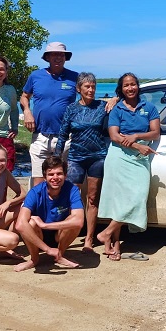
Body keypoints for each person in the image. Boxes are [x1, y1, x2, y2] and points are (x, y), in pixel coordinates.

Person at [96, 73, 160, 261]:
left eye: (133, 84)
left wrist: (137, 135)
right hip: (119, 155)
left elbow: (155, 133)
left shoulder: (149, 107)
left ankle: (106, 233)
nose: (130, 88)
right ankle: (112, 244)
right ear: (121, 89)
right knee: (116, 200)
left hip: (139, 158)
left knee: (137, 197)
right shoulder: (117, 109)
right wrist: (137, 144)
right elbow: (114, 135)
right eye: (126, 86)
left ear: (138, 86)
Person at [53, 72, 109, 252]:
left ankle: (89, 239)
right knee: (72, 197)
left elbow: (121, 100)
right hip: (76, 158)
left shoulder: (102, 106)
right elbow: (62, 135)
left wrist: (115, 98)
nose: (91, 90)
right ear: (79, 89)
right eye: (87, 86)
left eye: (93, 86)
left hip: (97, 157)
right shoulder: (71, 109)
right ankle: (67, 234)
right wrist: (56, 158)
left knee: (92, 199)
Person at [21, 42, 79, 187]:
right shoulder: (35, 76)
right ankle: (39, 210)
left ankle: (61, 210)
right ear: (47, 57)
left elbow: (88, 94)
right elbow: (24, 96)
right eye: (54, 54)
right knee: (39, 184)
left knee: (61, 181)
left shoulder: (74, 77)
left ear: (66, 57)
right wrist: (27, 112)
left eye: (61, 54)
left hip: (66, 138)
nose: (58, 57)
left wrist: (114, 99)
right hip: (41, 136)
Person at [14, 157, 85, 271]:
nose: (55, 178)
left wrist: (45, 225)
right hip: (38, 235)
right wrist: (47, 250)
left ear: (65, 175)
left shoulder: (72, 190)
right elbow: (20, 225)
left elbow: (79, 221)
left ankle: (60, 255)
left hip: (59, 234)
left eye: (59, 174)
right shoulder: (35, 192)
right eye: (51, 174)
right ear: (45, 177)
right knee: (30, 223)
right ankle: (34, 258)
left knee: (73, 220)